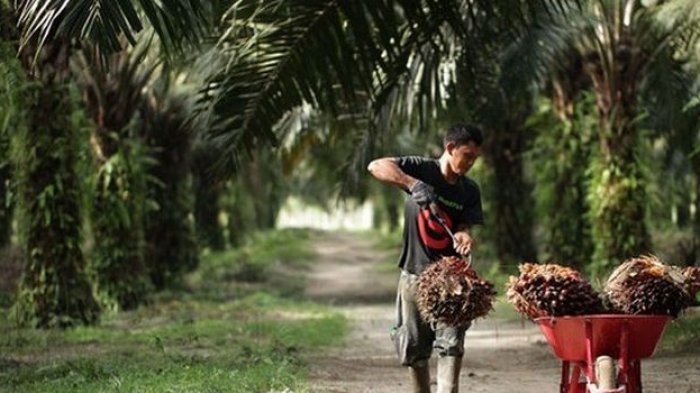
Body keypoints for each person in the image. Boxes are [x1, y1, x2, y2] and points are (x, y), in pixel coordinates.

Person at [367, 123, 484, 393]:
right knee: (414, 349)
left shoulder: (469, 190)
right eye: (466, 155)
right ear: (450, 148)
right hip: (414, 275)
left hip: (451, 279)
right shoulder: (421, 168)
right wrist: (412, 183)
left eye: (475, 158)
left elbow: (463, 226)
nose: (470, 163)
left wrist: (464, 235)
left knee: (451, 344)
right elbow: (375, 165)